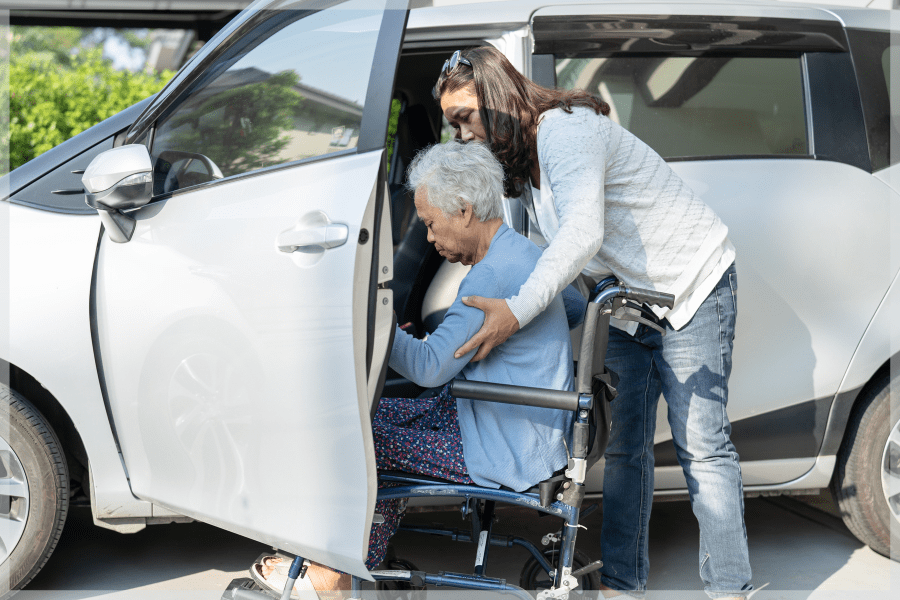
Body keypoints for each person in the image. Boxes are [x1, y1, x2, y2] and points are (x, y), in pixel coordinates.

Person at [433, 47, 750, 600]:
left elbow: (582, 236)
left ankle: (730, 589)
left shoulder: (565, 131)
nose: (461, 135)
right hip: (627, 305)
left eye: (465, 118)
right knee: (625, 447)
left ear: (498, 98)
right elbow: (532, 258)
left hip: (692, 285)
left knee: (702, 445)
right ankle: (623, 586)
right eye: (453, 126)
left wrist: (515, 315)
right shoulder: (519, 169)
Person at [250, 140, 576, 599]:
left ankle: (332, 576)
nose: (429, 238)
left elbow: (427, 368)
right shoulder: (527, 253)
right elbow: (574, 307)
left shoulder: (489, 276)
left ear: (463, 210)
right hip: (515, 425)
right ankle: (358, 556)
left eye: (430, 223)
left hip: (500, 444)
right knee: (374, 415)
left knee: (358, 435)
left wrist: (375, 323)